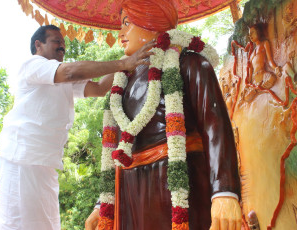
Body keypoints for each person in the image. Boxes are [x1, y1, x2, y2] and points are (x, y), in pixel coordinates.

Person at [85, 0, 242, 229]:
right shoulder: (121, 84)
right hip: (130, 193)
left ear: (150, 20)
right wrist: (103, 205)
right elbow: (116, 150)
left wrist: (224, 191)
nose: (121, 32)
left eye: (127, 23)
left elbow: (215, 127)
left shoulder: (190, 64)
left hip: (176, 188)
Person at [0, 24, 155, 230]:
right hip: (20, 159)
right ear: (38, 45)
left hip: (44, 163)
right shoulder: (34, 64)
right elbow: (69, 72)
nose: (62, 46)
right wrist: (124, 61)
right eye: (56, 42)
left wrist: (127, 64)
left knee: (48, 226)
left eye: (63, 43)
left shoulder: (61, 79)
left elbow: (98, 89)